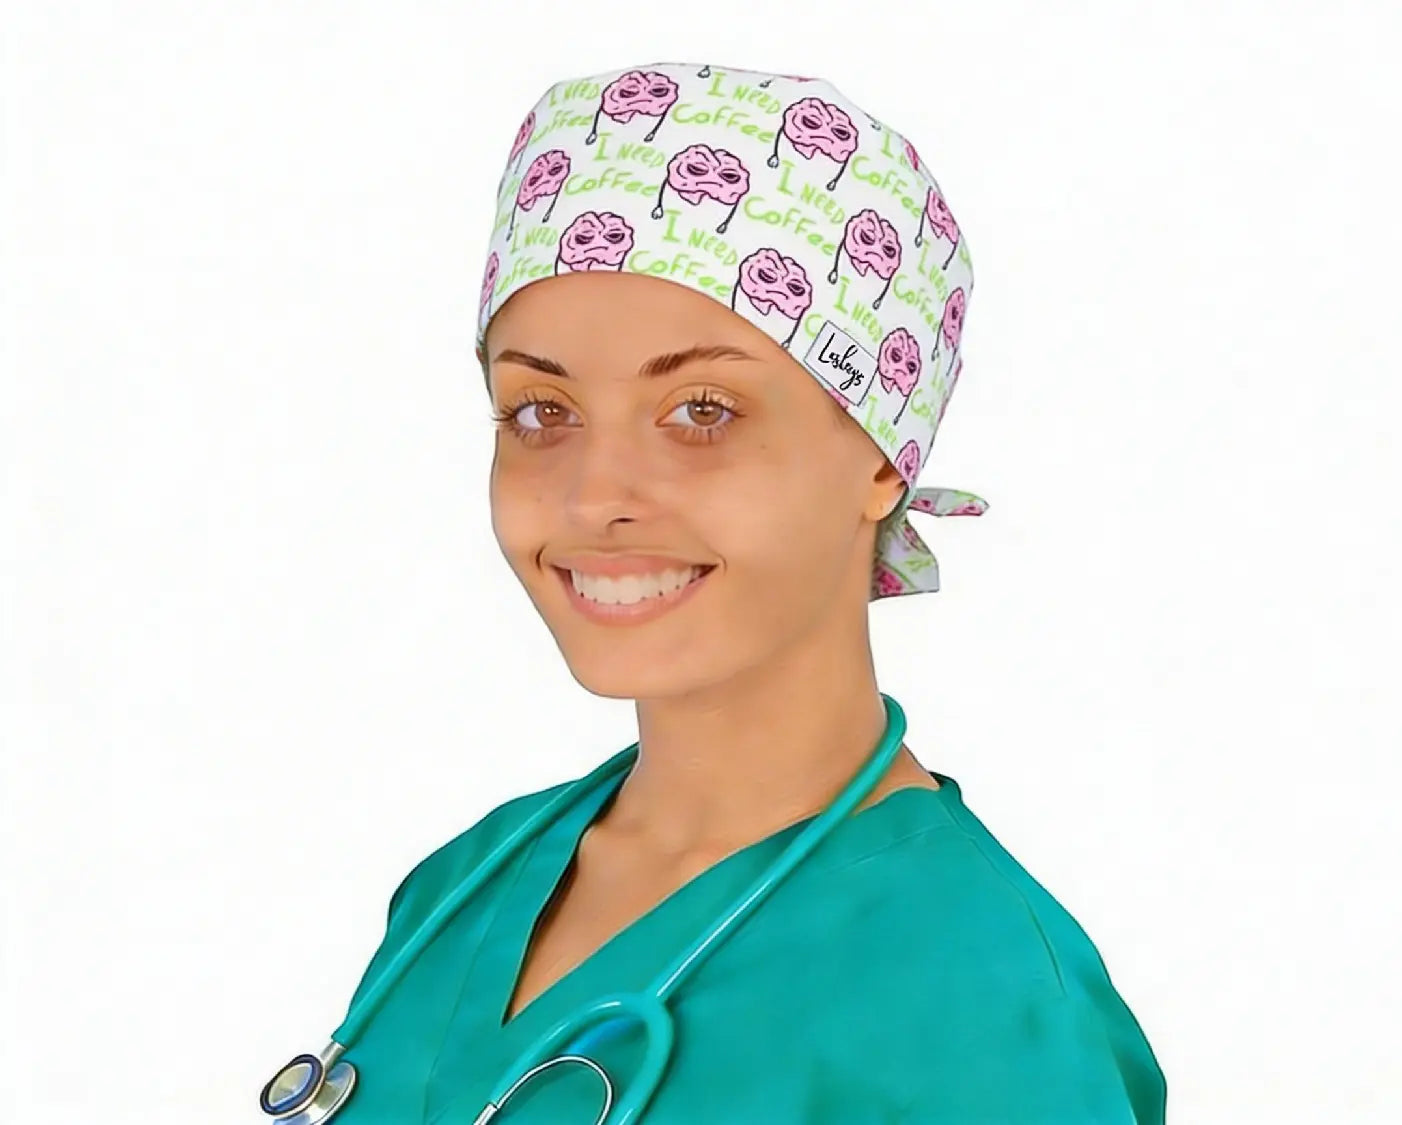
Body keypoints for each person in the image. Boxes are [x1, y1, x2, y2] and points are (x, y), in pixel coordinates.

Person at [320, 62, 1167, 1124]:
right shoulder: (464, 890)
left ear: (882, 459)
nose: (595, 496)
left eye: (703, 410)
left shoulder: (979, 999)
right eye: (541, 413)